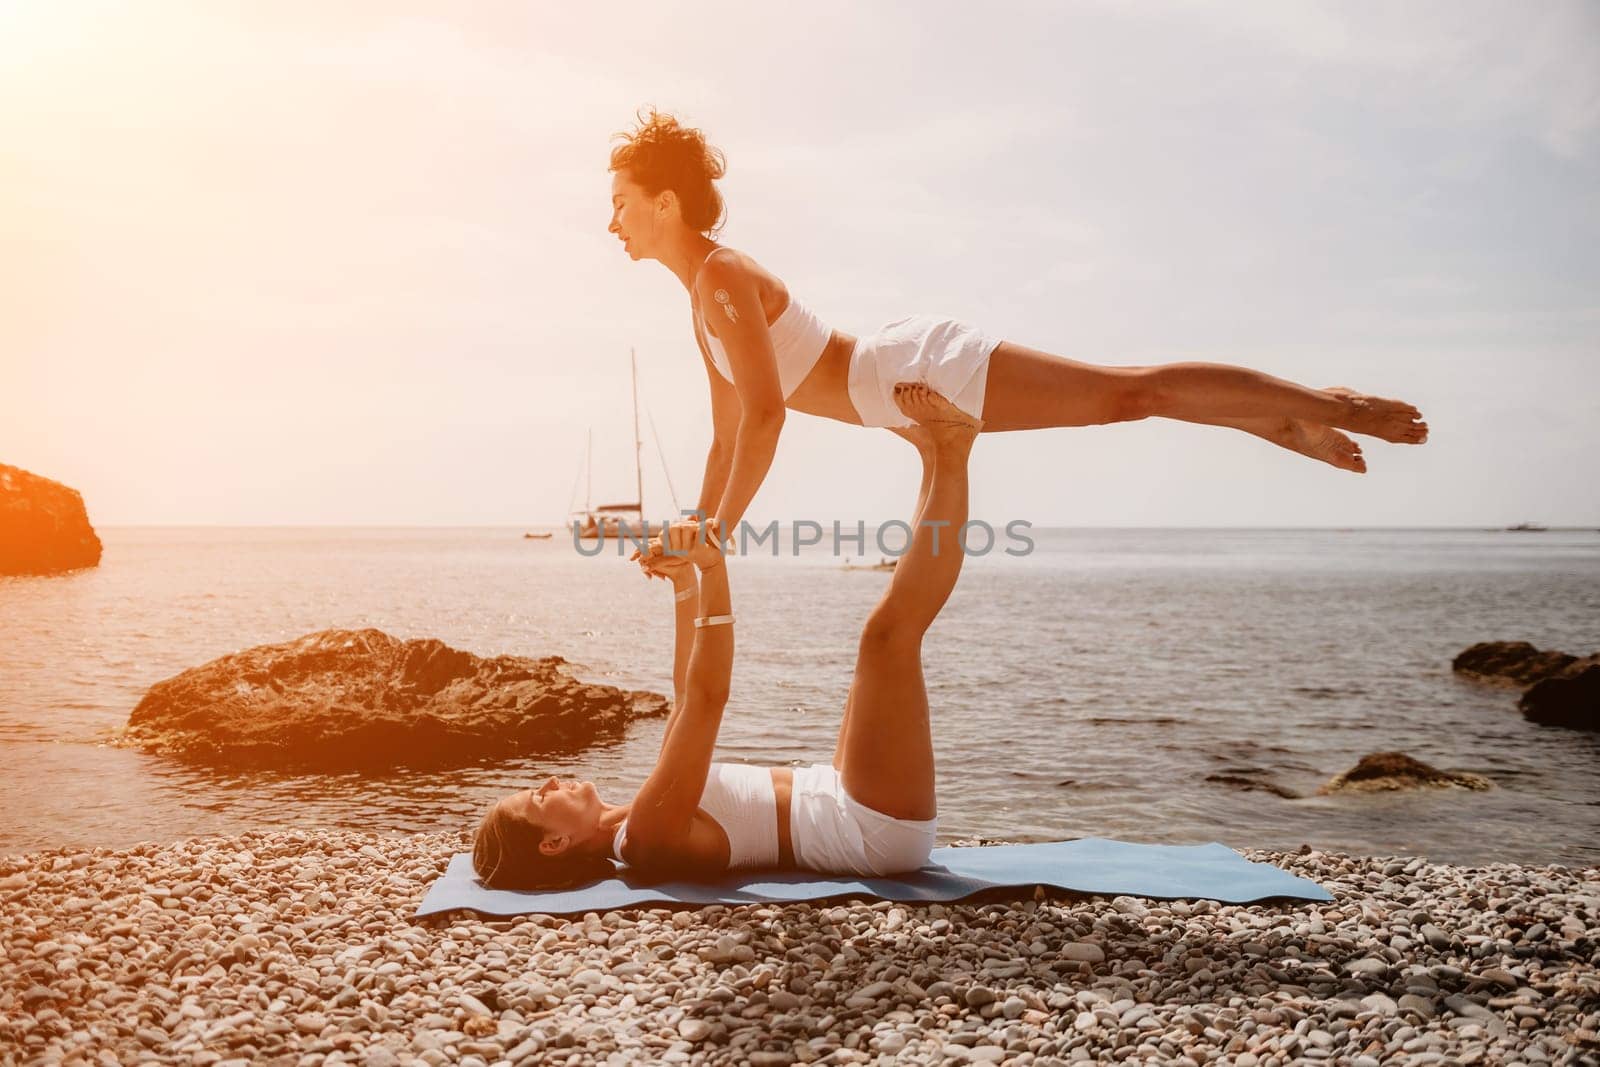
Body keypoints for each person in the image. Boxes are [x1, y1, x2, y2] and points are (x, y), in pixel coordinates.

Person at [605, 109, 1429, 538]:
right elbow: (723, 441)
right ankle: (1278, 422)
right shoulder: (700, 299)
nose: (613, 224)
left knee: (1125, 394)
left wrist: (717, 531)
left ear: (665, 201)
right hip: (892, 392)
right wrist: (698, 528)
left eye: (622, 204)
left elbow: (764, 413)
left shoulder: (721, 276)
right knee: (1123, 400)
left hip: (908, 374)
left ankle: (1332, 406)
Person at [473, 383, 984, 889]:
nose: (547, 782)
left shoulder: (639, 814)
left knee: (878, 642)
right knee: (887, 639)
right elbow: (708, 699)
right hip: (870, 829)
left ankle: (933, 458)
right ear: (555, 844)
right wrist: (714, 568)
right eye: (538, 799)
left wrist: (684, 582)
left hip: (839, 791)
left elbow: (683, 693)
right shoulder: (647, 837)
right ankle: (955, 450)